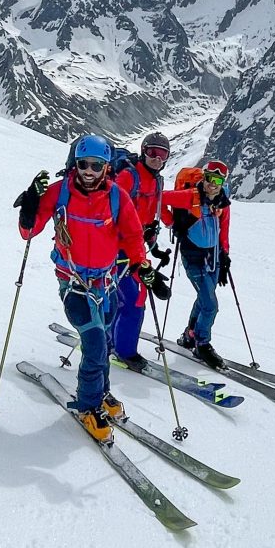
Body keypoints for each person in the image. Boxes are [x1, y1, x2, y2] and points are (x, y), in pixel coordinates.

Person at [16, 134, 150, 441]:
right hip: (74, 285)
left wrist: (142, 266)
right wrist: (30, 203)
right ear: (75, 164)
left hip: (107, 284)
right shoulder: (59, 192)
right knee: (95, 344)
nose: (89, 171)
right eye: (83, 164)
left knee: (102, 340)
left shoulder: (117, 197)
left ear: (106, 167)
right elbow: (29, 231)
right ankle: (88, 405)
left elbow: (132, 236)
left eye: (96, 165)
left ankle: (101, 393)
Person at [161, 158, 233, 370]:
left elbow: (224, 227)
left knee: (204, 300)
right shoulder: (189, 196)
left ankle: (189, 336)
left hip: (214, 258)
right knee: (211, 305)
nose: (213, 183)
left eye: (218, 180)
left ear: (223, 182)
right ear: (204, 176)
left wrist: (225, 255)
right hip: (193, 258)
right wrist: (173, 223)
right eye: (210, 178)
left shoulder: (222, 200)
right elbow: (159, 199)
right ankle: (202, 344)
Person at [111, 131, 173, 371]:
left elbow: (150, 213)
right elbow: (110, 208)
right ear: (143, 151)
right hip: (117, 250)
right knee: (134, 302)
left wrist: (154, 244)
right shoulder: (129, 177)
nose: (157, 158)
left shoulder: (157, 180)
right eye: (152, 152)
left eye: (163, 154)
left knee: (125, 299)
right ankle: (123, 352)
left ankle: (111, 342)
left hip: (135, 249)